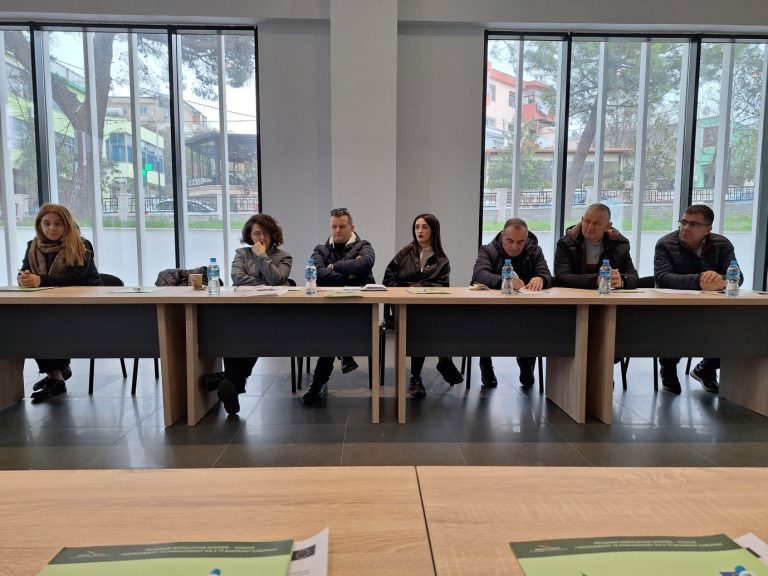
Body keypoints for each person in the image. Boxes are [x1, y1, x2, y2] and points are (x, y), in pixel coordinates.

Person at [204, 214, 292, 415]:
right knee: (235, 332)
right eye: (257, 233)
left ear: (273, 234)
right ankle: (233, 383)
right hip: (243, 311)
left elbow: (278, 280)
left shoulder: (283, 257)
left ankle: (230, 381)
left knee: (253, 333)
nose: (262, 237)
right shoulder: (241, 253)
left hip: (271, 314)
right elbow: (237, 278)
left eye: (266, 233)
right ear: (249, 236)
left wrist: (261, 256)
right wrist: (265, 283)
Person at [18, 203, 102, 402]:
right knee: (29, 323)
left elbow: (74, 278)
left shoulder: (81, 245)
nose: (52, 228)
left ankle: (57, 372)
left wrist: (40, 280)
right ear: (39, 225)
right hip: (49, 305)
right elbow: (25, 270)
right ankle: (56, 375)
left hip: (84, 307)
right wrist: (24, 278)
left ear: (67, 225)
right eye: (46, 223)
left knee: (47, 324)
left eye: (58, 224)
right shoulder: (33, 246)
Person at [654, 204, 741, 395]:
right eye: (683, 222)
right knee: (675, 324)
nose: (685, 227)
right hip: (674, 308)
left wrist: (720, 279)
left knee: (736, 324)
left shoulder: (722, 244)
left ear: (708, 229)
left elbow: (737, 277)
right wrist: (699, 281)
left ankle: (706, 368)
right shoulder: (665, 244)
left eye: (693, 224)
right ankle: (668, 369)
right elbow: (662, 278)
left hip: (712, 308)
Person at [382, 213, 463, 398]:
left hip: (428, 309)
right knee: (423, 323)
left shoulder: (442, 260)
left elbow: (442, 286)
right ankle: (440, 362)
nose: (420, 230)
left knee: (429, 321)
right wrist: (406, 290)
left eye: (425, 227)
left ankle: (418, 376)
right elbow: (388, 279)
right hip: (404, 308)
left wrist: (420, 289)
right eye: (417, 227)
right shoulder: (404, 253)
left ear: (434, 230)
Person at [303, 208, 375, 403]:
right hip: (329, 310)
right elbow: (317, 274)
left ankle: (318, 383)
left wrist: (334, 267)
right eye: (334, 226)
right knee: (333, 325)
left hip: (358, 310)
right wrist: (351, 275)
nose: (337, 230)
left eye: (342, 226)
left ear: (352, 227)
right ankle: (344, 355)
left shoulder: (364, 246)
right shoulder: (321, 249)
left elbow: (365, 265)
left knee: (333, 327)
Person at [471, 218, 553, 388]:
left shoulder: (534, 250)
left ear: (526, 239)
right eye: (510, 241)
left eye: (520, 241)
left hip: (525, 311)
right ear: (502, 236)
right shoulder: (488, 250)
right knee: (482, 322)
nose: (515, 246)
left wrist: (541, 278)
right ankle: (485, 364)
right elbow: (479, 274)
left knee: (535, 323)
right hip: (493, 310)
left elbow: (546, 273)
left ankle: (526, 363)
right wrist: (503, 281)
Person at [554, 202, 639, 290]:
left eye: (597, 223)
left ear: (608, 226)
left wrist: (621, 281)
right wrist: (596, 280)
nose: (590, 227)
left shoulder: (619, 245)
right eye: (587, 221)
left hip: (606, 296)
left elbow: (633, 277)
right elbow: (562, 277)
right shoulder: (567, 243)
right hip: (574, 296)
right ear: (582, 220)